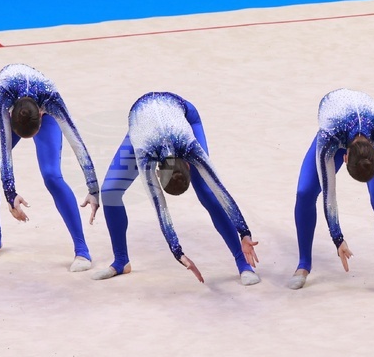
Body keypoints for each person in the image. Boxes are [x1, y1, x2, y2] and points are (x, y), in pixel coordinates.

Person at [91, 92, 260, 284]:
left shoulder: (190, 147)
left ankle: (242, 262)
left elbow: (220, 191)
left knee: (207, 192)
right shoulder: (144, 154)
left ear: (188, 164)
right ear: (156, 172)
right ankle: (121, 261)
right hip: (142, 125)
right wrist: (178, 252)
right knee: (110, 192)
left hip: (183, 115)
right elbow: (160, 208)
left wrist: (245, 234)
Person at [288, 88, 374, 297]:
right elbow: (329, 194)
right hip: (335, 123)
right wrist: (338, 238)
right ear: (345, 158)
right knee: (305, 192)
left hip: (368, 125)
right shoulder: (328, 137)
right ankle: (303, 263)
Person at [0, 64, 99, 271]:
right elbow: (4, 148)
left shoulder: (52, 102)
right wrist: (10, 193)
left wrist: (93, 188)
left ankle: (82, 250)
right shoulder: (3, 97)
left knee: (52, 175)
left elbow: (77, 144)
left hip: (43, 108)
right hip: (10, 101)